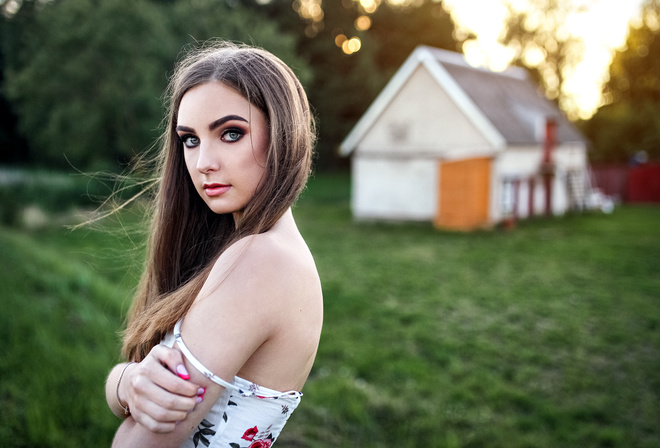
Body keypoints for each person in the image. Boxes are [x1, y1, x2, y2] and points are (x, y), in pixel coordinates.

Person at [103, 40, 323, 448]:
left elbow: (144, 440)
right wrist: (128, 381)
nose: (203, 162)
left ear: (283, 135)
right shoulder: (260, 250)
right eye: (190, 139)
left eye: (231, 133)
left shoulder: (261, 259)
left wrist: (123, 385)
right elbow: (138, 387)